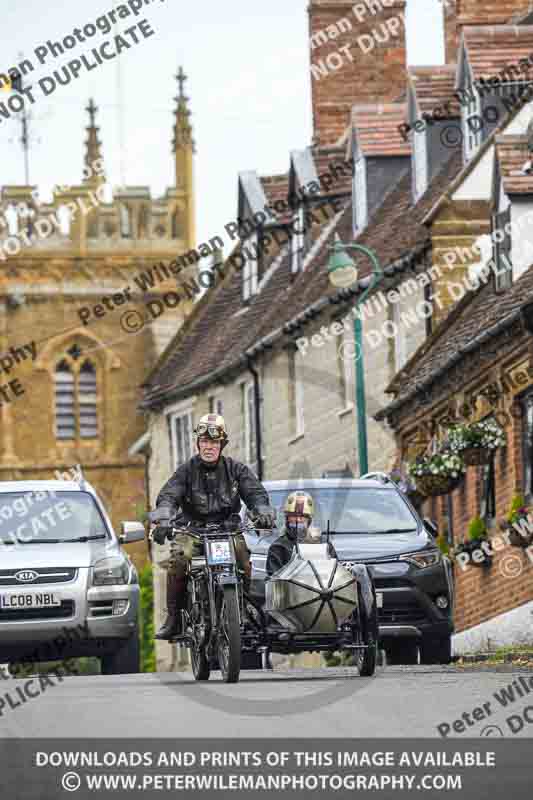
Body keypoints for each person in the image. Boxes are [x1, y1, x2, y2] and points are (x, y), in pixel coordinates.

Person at [152, 413, 275, 639]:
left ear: (222, 444)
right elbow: (169, 495)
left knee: (243, 560)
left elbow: (255, 493)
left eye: (214, 442)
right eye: (205, 442)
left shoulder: (237, 470)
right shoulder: (186, 471)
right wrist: (163, 517)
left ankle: (241, 609)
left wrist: (263, 511)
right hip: (192, 530)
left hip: (227, 529)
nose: (209, 447)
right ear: (198, 443)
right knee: (178, 559)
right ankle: (174, 618)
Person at [266, 491, 315, 576]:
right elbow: (274, 580)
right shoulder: (278, 547)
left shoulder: (323, 544)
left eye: (302, 516)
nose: (298, 520)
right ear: (287, 518)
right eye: (294, 515)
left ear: (309, 520)